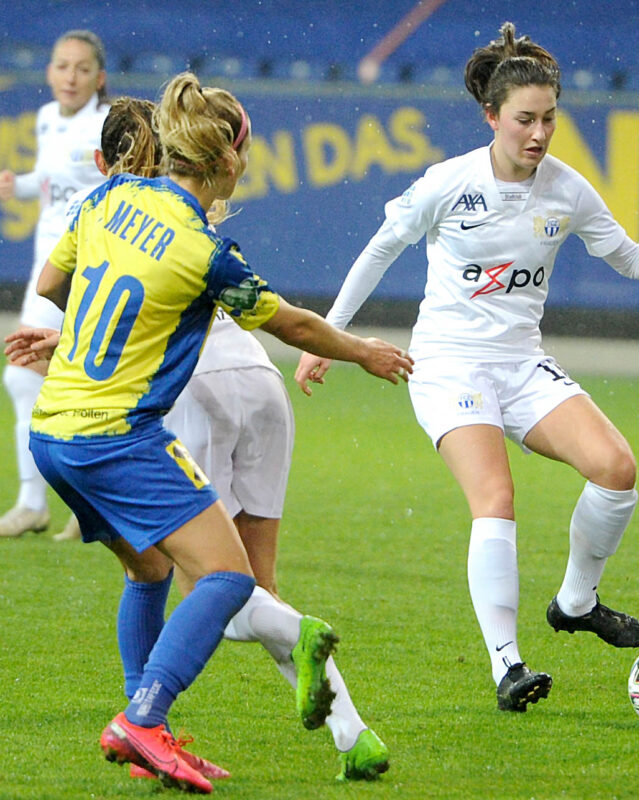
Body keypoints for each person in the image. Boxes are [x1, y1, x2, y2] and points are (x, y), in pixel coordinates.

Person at [296, 22, 639, 714]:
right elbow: (380, 248)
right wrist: (330, 337)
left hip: (523, 364)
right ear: (492, 117)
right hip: (448, 366)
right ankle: (508, 665)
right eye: (525, 120)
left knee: (617, 470)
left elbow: (626, 257)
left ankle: (575, 602)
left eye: (550, 119)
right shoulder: (449, 184)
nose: (539, 134)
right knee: (496, 501)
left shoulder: (567, 190)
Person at [26, 72, 411, 793]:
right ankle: (144, 718)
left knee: (149, 570)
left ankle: (147, 724)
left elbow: (51, 284)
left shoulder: (109, 196)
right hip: (118, 435)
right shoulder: (207, 253)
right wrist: (363, 350)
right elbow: (291, 324)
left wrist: (93, 337)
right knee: (231, 577)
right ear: (227, 164)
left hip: (53, 432)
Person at [0, 30, 110, 541]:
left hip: (84, 266)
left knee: (58, 377)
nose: (70, 77)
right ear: (49, 71)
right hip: (46, 265)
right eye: (62, 66)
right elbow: (49, 182)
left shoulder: (107, 125)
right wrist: (16, 185)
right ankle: (44, 503)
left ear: (99, 77)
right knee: (31, 375)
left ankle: (79, 501)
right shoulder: (47, 119)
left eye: (82, 68)